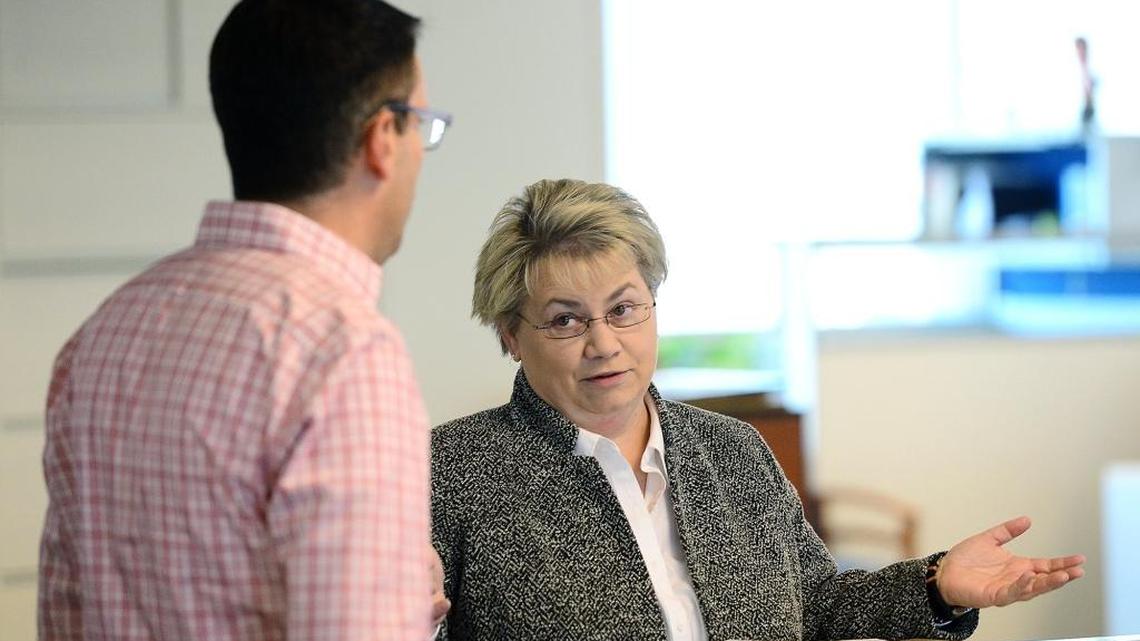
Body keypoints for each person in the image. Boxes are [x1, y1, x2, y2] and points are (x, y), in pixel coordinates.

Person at [430, 179, 1085, 641]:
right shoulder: (450, 471)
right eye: (566, 320)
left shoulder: (732, 450)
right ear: (510, 334)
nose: (604, 343)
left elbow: (821, 609)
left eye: (624, 308)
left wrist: (937, 585)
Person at [38, 1, 452, 639]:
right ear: (381, 139)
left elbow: (65, 614)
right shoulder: (344, 351)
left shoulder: (104, 333)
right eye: (421, 124)